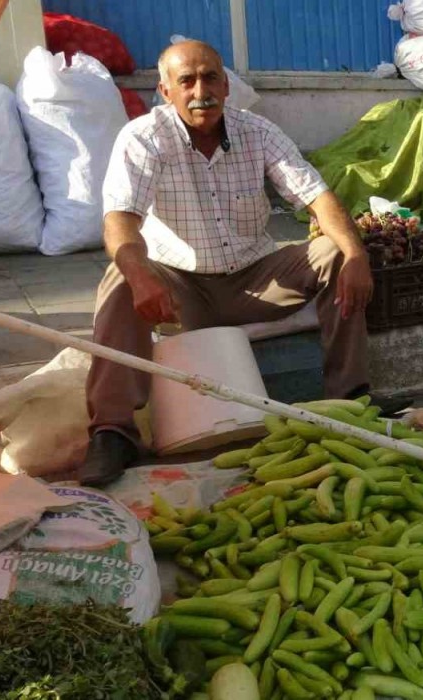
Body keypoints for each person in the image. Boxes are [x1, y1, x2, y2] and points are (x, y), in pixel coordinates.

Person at [80, 40, 372, 486]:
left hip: (254, 279)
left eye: (212, 77)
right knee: (122, 275)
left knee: (335, 254)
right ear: (165, 90)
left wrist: (356, 254)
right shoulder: (143, 138)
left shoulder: (258, 132)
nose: (202, 90)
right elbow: (120, 221)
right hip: (180, 289)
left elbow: (317, 196)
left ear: (227, 85)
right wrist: (141, 276)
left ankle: (350, 401)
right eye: (187, 80)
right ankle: (112, 432)